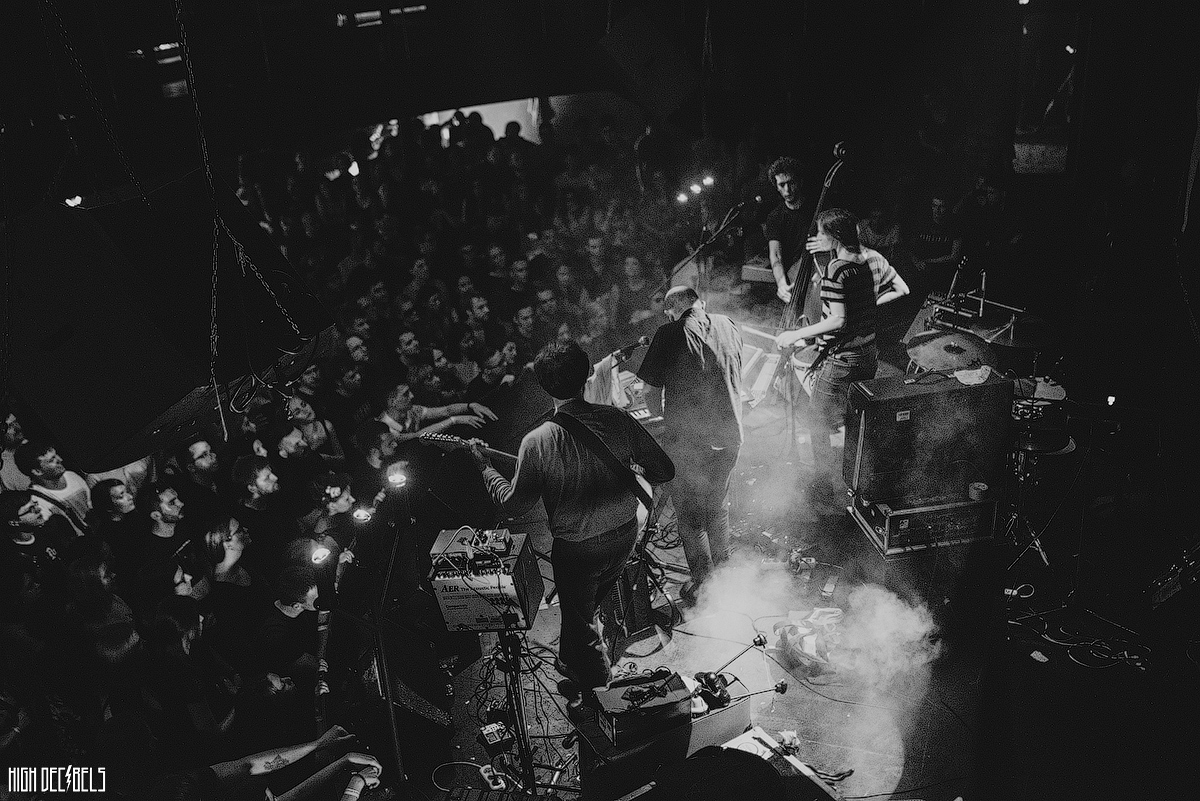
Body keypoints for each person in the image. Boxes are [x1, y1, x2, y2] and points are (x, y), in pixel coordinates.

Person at [467, 342, 674, 697]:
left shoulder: (537, 441)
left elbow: (515, 505)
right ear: (588, 374)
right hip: (625, 535)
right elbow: (663, 470)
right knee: (583, 608)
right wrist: (630, 470)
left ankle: (602, 696)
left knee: (582, 621)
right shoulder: (617, 418)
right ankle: (571, 662)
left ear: (543, 386)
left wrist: (485, 469)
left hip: (578, 550)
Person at [636, 286, 743, 601]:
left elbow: (649, 392)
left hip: (692, 443)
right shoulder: (728, 324)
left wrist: (661, 414)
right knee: (717, 507)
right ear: (700, 303)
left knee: (691, 517)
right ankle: (727, 580)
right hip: (731, 435)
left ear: (671, 310)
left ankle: (706, 590)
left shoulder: (669, 332)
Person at [775, 208, 878, 507]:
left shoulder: (836, 268)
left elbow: (838, 320)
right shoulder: (863, 262)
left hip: (843, 360)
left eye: (821, 232)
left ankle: (823, 489)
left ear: (834, 235)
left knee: (817, 421)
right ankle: (859, 483)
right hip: (867, 355)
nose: (817, 237)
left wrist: (794, 335)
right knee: (853, 421)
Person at [764, 156, 815, 304]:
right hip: (792, 278)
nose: (787, 190)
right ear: (776, 186)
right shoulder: (775, 217)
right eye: (782, 185)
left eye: (791, 183)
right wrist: (781, 284)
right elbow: (776, 255)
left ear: (800, 182)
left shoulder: (816, 209)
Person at [14, 442, 91, 536]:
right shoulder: (36, 502)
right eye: (52, 460)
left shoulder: (71, 476)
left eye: (56, 455)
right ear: (37, 471)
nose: (60, 460)